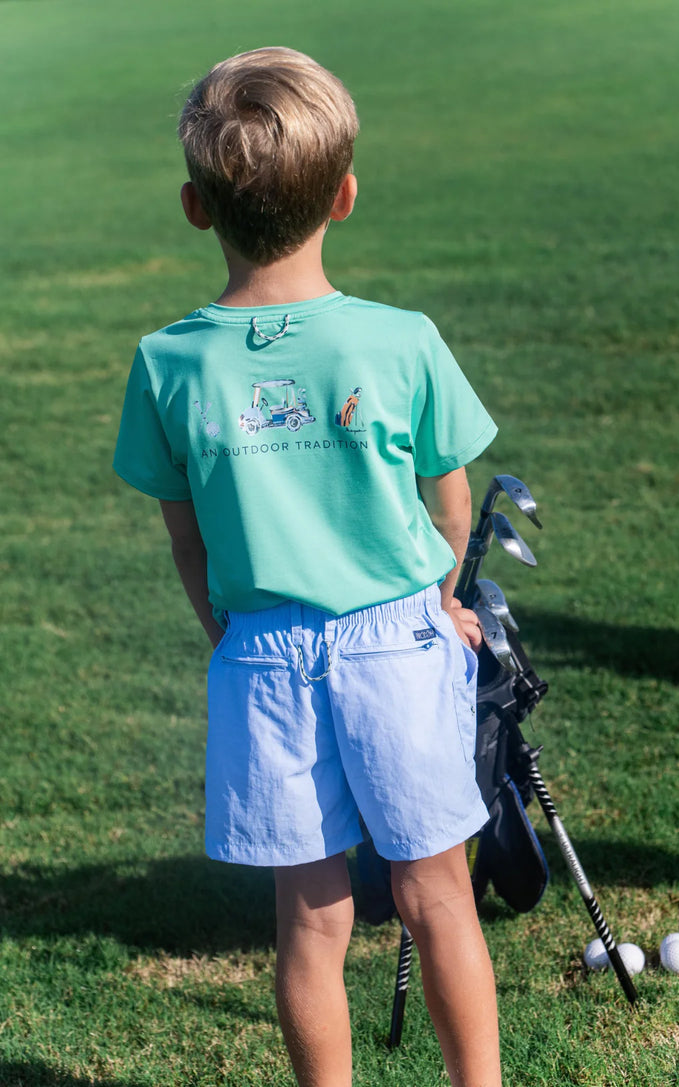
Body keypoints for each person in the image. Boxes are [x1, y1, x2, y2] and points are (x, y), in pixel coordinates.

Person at [113, 47, 502, 1087]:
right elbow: (451, 504)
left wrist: (230, 634)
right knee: (436, 895)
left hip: (260, 653)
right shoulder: (402, 341)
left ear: (195, 208)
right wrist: (441, 601)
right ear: (345, 195)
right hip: (399, 641)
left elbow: (187, 539)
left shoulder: (167, 361)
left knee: (312, 916)